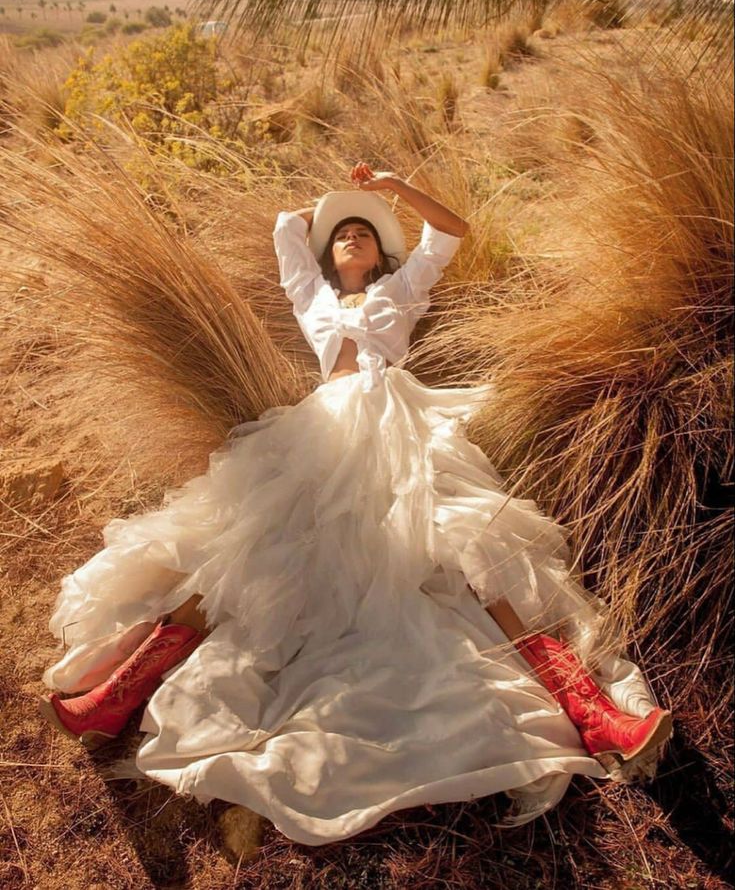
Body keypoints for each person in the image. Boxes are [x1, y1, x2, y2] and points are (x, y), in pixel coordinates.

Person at [38, 162, 672, 845]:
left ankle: (591, 712)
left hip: (402, 421)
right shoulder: (308, 294)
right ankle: (122, 692)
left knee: (471, 549)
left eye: (364, 234)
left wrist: (388, 189)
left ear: (381, 253)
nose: (350, 237)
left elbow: (450, 232)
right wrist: (334, 200)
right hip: (321, 426)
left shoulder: (402, 287)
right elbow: (287, 230)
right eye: (339, 233)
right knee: (252, 549)